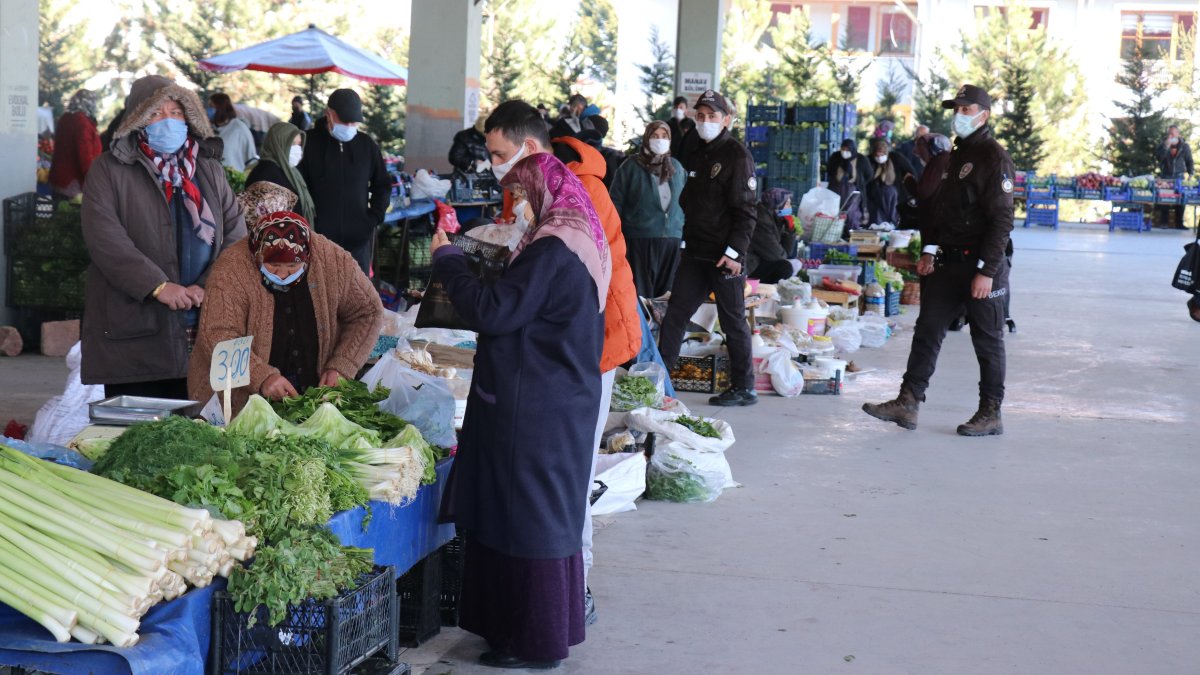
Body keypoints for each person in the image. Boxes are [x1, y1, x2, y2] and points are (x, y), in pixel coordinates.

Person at [430, 151, 612, 670]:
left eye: (527, 195)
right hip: (558, 398)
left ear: (545, 191)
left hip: (537, 407)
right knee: (536, 514)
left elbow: (495, 310)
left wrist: (449, 263)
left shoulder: (553, 249)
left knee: (531, 519)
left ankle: (534, 642)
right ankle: (519, 631)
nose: (523, 207)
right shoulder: (578, 236)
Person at [485, 99, 641, 627]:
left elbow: (556, 280)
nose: (493, 166)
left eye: (499, 154)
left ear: (529, 150)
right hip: (554, 352)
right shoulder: (536, 187)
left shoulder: (580, 193)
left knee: (564, 479)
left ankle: (576, 591)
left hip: (586, 352)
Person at [80, 75, 246, 399]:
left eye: (176, 112)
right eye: (156, 114)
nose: (167, 121)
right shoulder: (109, 169)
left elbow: (236, 235)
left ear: (189, 118)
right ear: (138, 120)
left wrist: (208, 285)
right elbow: (105, 239)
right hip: (135, 333)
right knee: (139, 437)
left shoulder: (208, 169)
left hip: (201, 325)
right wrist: (157, 286)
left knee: (200, 434)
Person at [862, 84, 1015, 437]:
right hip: (947, 263)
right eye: (956, 110)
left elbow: (1002, 221)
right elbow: (938, 210)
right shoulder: (955, 156)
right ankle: (908, 401)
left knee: (987, 340)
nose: (958, 116)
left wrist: (987, 271)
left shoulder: (995, 158)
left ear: (983, 115)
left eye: (965, 110)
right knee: (927, 331)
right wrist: (929, 249)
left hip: (980, 267)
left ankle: (991, 412)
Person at [188, 186, 383, 412]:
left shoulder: (332, 259)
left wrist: (341, 366)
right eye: (273, 265)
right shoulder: (231, 268)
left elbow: (368, 311)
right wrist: (262, 377)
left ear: (308, 257)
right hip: (237, 402)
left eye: (292, 266)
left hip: (313, 398)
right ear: (257, 254)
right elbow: (218, 333)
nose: (282, 274)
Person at [657, 89, 758, 407]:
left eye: (712, 116)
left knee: (733, 321)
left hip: (723, 257)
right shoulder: (694, 148)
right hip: (696, 253)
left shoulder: (737, 156)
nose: (705, 121)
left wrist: (734, 255)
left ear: (726, 120)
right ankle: (661, 382)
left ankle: (744, 387)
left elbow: (746, 212)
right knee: (674, 316)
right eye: (700, 116)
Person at [297, 89, 391, 274]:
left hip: (358, 243)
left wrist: (373, 218)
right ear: (329, 115)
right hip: (317, 243)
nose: (349, 126)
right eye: (344, 121)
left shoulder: (366, 145)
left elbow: (382, 185)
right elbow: (296, 187)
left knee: (358, 297)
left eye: (353, 122)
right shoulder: (309, 143)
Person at [610, 121, 685, 298]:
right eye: (655, 136)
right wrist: (615, 238)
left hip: (672, 241)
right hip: (639, 240)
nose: (660, 140)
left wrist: (685, 235)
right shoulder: (630, 167)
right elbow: (615, 203)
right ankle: (642, 326)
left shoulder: (676, 168)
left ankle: (661, 326)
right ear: (646, 138)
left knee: (667, 296)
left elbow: (687, 203)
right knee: (640, 296)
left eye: (664, 136)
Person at [245, 122, 316, 223]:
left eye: (299, 144)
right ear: (278, 144)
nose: (298, 149)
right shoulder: (265, 174)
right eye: (292, 144)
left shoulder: (290, 171)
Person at [49, 89, 103, 199]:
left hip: (60, 179)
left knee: (59, 212)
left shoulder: (65, 118)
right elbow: (85, 156)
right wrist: (95, 181)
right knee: (70, 214)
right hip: (73, 183)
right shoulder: (82, 122)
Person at [747, 189, 802, 284]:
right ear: (778, 205)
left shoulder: (775, 218)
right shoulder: (761, 221)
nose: (790, 207)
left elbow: (787, 253)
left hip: (761, 261)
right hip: (749, 268)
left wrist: (790, 230)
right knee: (785, 267)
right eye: (787, 204)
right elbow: (777, 256)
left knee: (795, 263)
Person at [865, 138, 916, 226]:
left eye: (882, 154)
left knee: (893, 216)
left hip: (894, 194)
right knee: (877, 218)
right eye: (877, 155)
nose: (879, 157)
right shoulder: (869, 160)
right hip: (874, 195)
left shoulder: (896, 157)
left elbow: (910, 171)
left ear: (886, 152)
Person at [827, 138, 871, 229]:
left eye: (848, 150)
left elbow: (869, 174)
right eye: (843, 149)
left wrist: (859, 182)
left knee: (852, 212)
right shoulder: (836, 156)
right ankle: (836, 232)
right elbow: (830, 171)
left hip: (853, 190)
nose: (845, 152)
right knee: (834, 212)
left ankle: (851, 231)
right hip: (836, 189)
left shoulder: (861, 159)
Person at [208, 93, 259, 171]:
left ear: (220, 107)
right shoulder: (208, 128)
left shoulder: (239, 128)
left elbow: (251, 159)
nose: (209, 110)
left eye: (211, 107)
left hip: (233, 178)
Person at [1155, 125, 1194, 228]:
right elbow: (1159, 158)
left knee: (1181, 199)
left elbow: (1189, 161)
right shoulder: (1162, 145)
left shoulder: (1184, 146)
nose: (1170, 135)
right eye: (1169, 133)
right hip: (1165, 176)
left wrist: (1191, 173)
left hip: (1179, 176)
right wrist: (1166, 147)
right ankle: (1164, 223)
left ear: (1178, 134)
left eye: (1173, 133)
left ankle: (1179, 223)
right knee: (1165, 199)